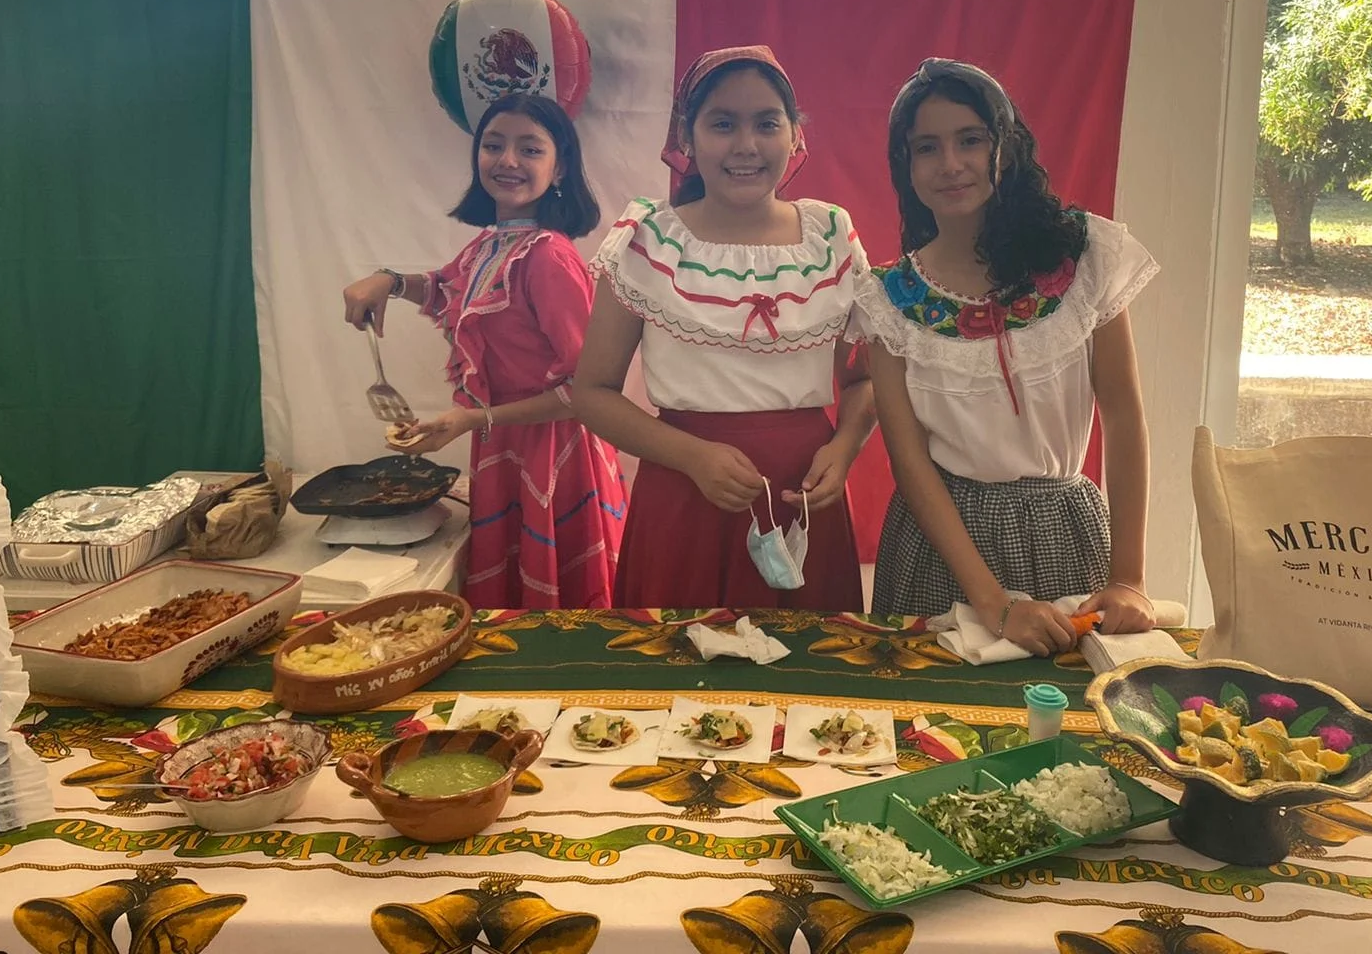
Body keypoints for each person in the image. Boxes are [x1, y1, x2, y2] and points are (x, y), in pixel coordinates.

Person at [853, 58, 1158, 655]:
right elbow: (909, 461)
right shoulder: (888, 298)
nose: (950, 164)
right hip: (940, 548)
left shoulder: (1084, 258)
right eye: (926, 147)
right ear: (904, 165)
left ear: (1006, 144)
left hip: (1064, 532)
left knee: (1067, 704)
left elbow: (1124, 417)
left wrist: (1129, 577)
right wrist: (993, 603)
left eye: (970, 139)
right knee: (927, 705)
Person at [571, 46, 875, 610]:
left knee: (811, 662)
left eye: (767, 123)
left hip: (803, 498)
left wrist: (845, 447)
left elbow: (862, 380)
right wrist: (692, 457)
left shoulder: (831, 236)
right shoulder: (649, 242)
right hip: (684, 495)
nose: (746, 145)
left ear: (795, 135)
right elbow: (591, 392)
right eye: (722, 124)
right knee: (681, 659)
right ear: (687, 138)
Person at [341, 92, 626, 610]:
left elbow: (585, 393)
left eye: (530, 149)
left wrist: (477, 418)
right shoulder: (490, 244)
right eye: (494, 145)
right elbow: (447, 288)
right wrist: (389, 281)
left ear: (560, 167)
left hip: (555, 455)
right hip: (503, 443)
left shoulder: (548, 258)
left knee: (558, 611)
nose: (507, 160)